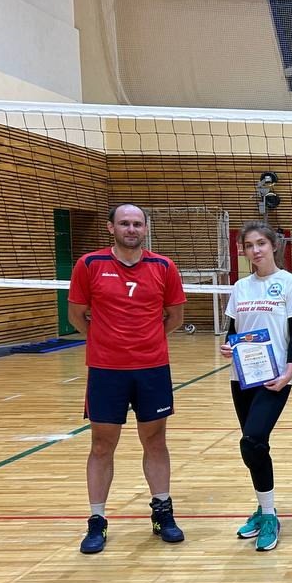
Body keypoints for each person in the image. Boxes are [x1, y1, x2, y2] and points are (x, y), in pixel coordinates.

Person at [68, 203, 187, 555]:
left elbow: (175, 316)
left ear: (145, 229)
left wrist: (145, 341)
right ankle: (97, 520)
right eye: (124, 223)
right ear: (111, 228)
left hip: (152, 369)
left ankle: (162, 512)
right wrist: (107, 341)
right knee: (101, 445)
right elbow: (76, 315)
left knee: (155, 441)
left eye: (137, 224)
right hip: (106, 371)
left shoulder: (163, 266)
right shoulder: (89, 264)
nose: (131, 229)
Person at [224, 222, 292, 552]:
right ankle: (263, 507)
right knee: (255, 446)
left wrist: (289, 372)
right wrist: (228, 346)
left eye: (260, 243)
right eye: (249, 245)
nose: (255, 250)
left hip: (275, 378)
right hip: (241, 377)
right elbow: (233, 330)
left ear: (274, 245)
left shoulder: (289, 284)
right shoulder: (241, 287)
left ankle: (270, 516)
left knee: (252, 440)